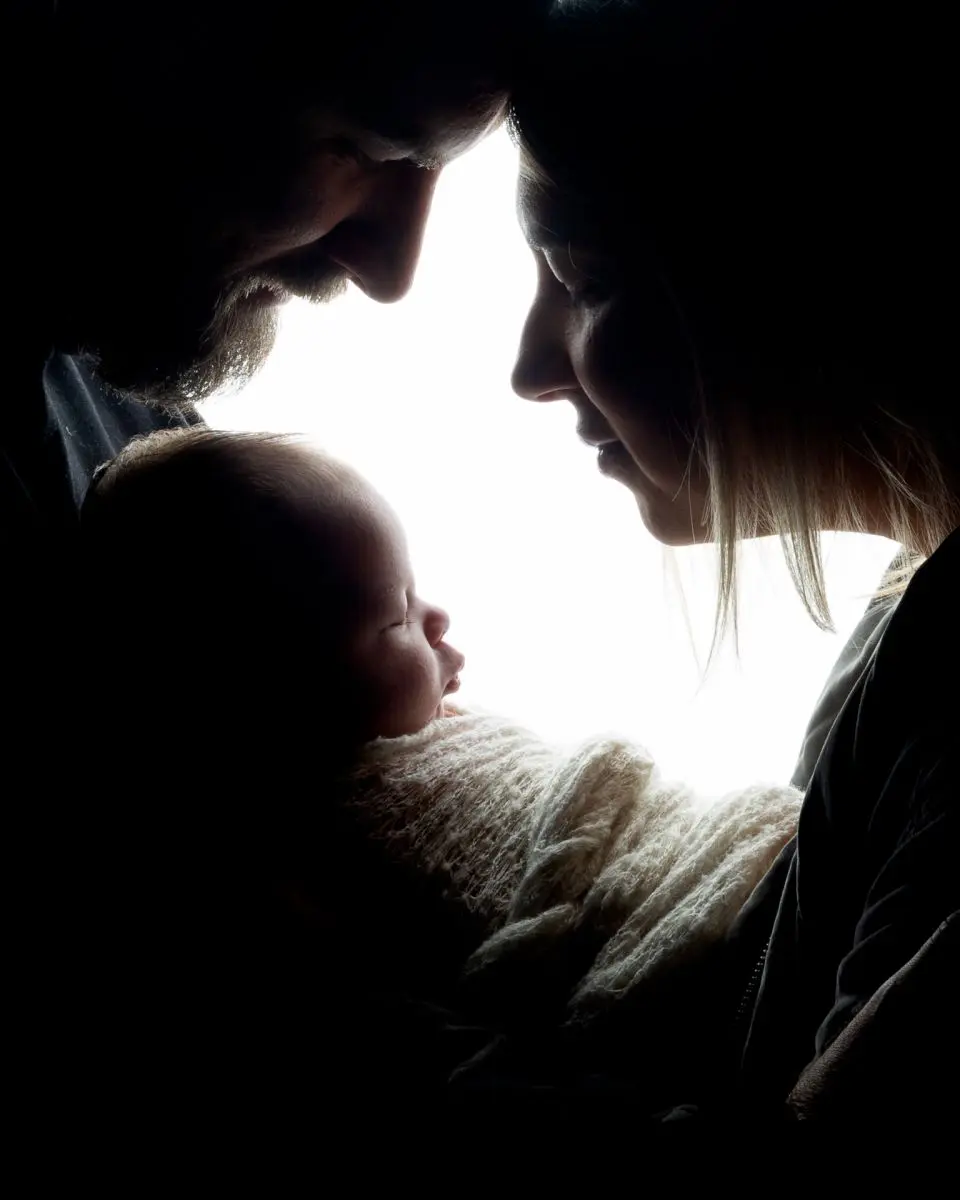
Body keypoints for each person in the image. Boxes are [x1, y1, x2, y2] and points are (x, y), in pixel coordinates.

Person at [507, 0, 958, 1121]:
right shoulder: (911, 621)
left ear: (792, 262)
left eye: (583, 271)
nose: (530, 365)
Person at [79, 426, 801, 1109]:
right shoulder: (298, 859)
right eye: (396, 616)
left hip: (738, 855)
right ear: (264, 695)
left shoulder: (445, 735)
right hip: (704, 951)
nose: (437, 616)